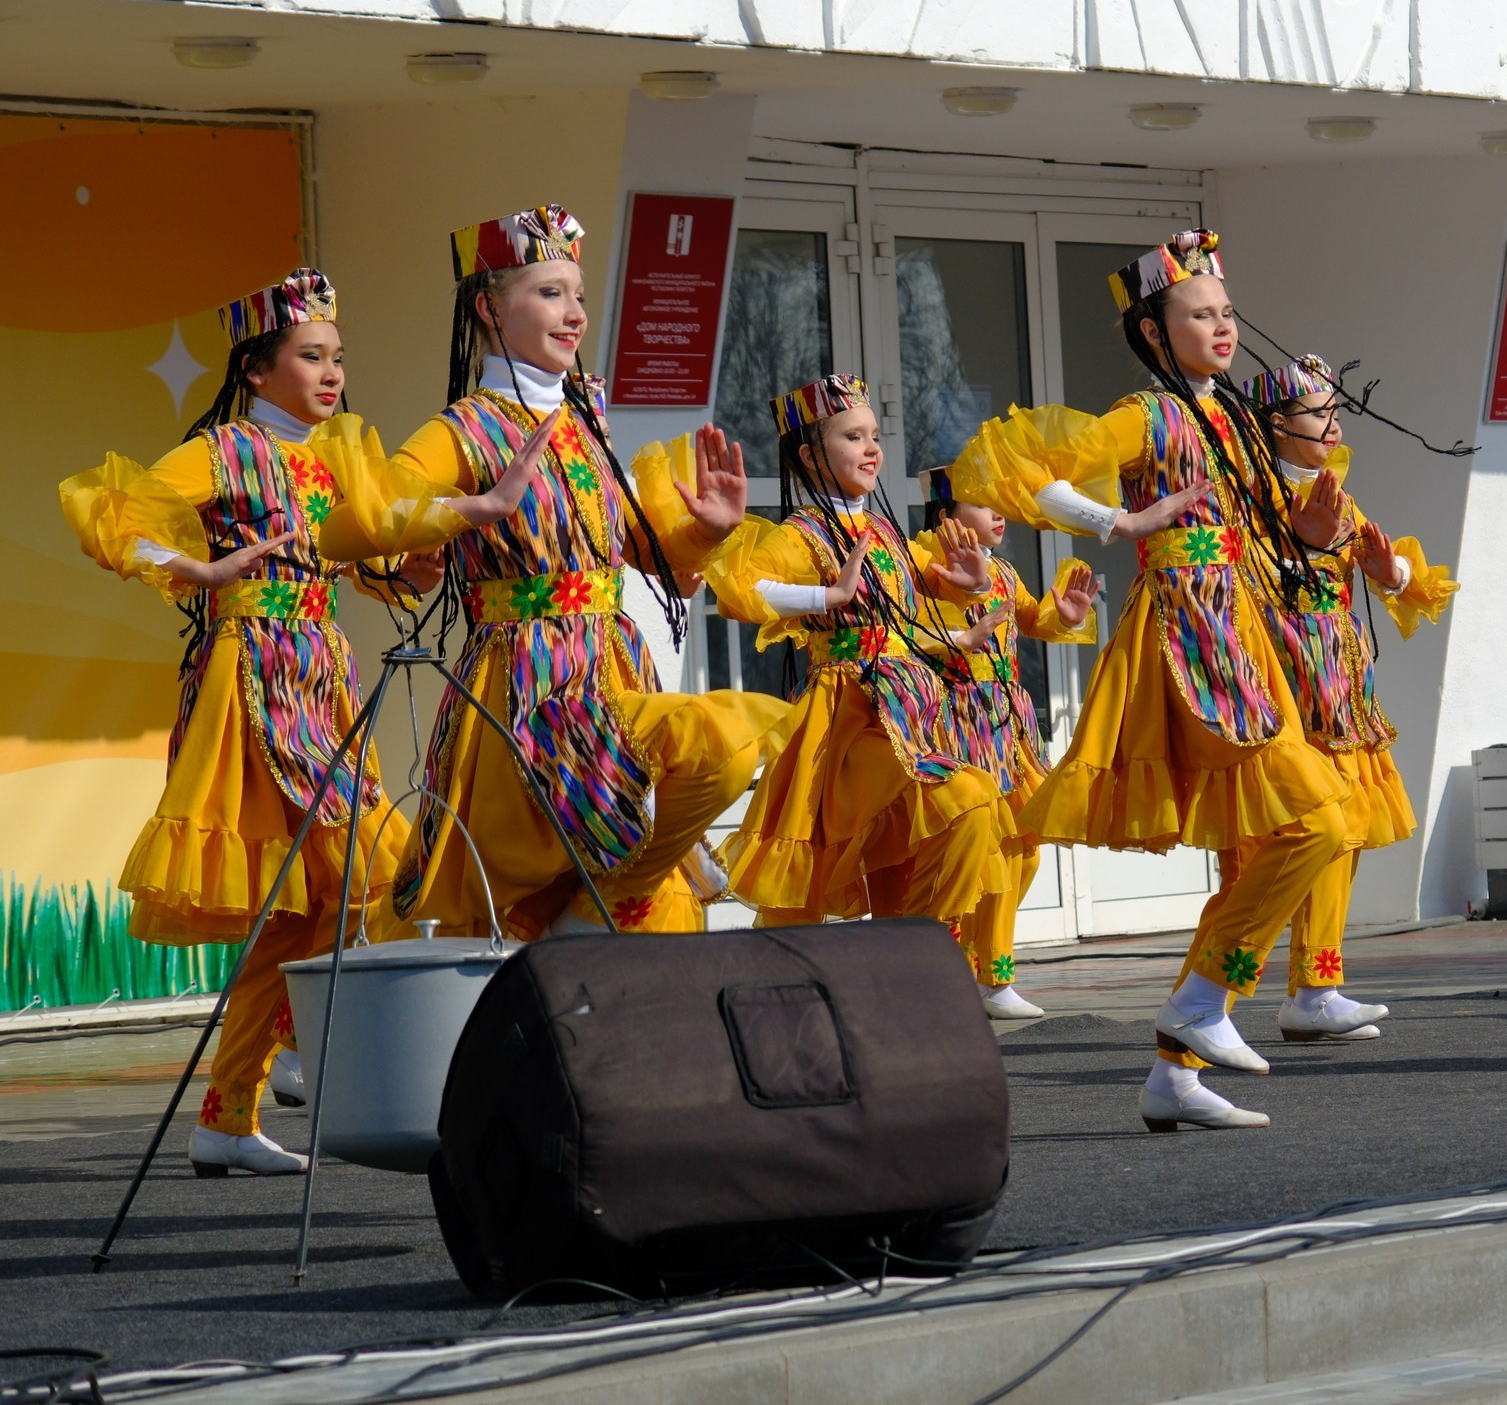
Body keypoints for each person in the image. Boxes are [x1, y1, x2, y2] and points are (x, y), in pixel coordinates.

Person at [60, 270, 513, 1175]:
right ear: (258, 370)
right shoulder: (224, 451)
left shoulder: (335, 457)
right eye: (311, 355)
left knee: (307, 908)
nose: (332, 372)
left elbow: (345, 556)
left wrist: (402, 574)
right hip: (257, 682)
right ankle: (296, 1051)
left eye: (338, 356)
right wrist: (197, 570)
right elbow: (110, 512)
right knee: (371, 868)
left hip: (321, 676)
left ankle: (236, 1106)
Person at [951, 229, 1357, 1132]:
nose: (1221, 326)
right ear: (1153, 331)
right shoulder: (1146, 415)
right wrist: (1121, 523)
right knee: (1320, 822)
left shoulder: (1235, 420)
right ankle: (1201, 1003)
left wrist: (1312, 534)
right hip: (1187, 633)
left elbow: (1272, 526)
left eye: (1226, 311)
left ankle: (1177, 1066)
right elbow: (1024, 472)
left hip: (1240, 628)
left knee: (1285, 839)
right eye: (1199, 313)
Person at [318, 206, 783, 941]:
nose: (575, 314)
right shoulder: (464, 429)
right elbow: (346, 529)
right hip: (529, 688)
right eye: (550, 293)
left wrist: (707, 532)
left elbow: (633, 550)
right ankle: (578, 932)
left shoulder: (583, 421)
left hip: (612, 670)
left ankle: (585, 929)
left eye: (579, 295)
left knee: (699, 802)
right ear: (489, 308)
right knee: (711, 750)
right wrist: (475, 507)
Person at [703, 381, 1009, 957]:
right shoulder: (802, 536)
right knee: (966, 798)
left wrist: (970, 583)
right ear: (811, 455)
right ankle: (907, 959)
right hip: (849, 721)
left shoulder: (885, 531)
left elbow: (934, 585)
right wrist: (828, 596)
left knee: (914, 849)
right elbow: (736, 593)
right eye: (853, 437)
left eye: (875, 436)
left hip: (910, 714)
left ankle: (907, 965)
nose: (872, 449)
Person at [1238, 355, 1456, 1042]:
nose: (1332, 424)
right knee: (1299, 833)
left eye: (1335, 411)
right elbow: (1246, 577)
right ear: (1276, 423)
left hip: (1338, 684)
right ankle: (1238, 986)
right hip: (1282, 681)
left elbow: (1390, 572)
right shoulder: (1251, 496)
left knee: (1347, 830)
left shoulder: (1338, 496)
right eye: (1316, 413)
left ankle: (1316, 987)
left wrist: (1391, 571)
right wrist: (1301, 549)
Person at [911, 467, 1099, 1020]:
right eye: (982, 502)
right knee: (977, 851)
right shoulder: (920, 564)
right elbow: (905, 633)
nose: (998, 512)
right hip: (957, 719)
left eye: (1000, 501)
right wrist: (958, 633)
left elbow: (1034, 619)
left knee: (1025, 849)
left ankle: (990, 972)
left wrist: (1066, 618)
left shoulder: (1004, 570)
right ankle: (948, 970)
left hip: (1007, 724)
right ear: (945, 514)